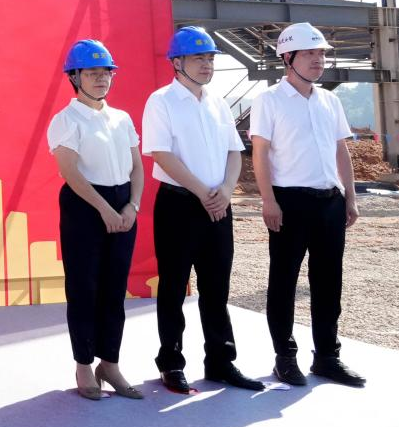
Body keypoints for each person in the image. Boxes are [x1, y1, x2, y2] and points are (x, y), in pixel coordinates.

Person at [142, 27, 264, 393]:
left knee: (217, 287)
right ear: (177, 62)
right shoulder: (161, 101)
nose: (207, 64)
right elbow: (161, 154)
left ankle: (221, 362)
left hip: (218, 206)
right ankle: (171, 362)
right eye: (199, 58)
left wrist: (225, 192)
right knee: (173, 287)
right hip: (179, 204)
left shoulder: (218, 103)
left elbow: (233, 152)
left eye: (210, 58)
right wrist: (202, 193)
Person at [250, 22, 366, 388]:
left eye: (321, 54)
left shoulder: (329, 101)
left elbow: (340, 150)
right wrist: (268, 200)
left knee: (329, 282)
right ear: (288, 58)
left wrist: (350, 197)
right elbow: (260, 154)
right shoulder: (269, 100)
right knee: (284, 281)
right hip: (290, 202)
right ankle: (285, 358)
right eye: (310, 53)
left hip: (330, 201)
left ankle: (327, 357)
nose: (318, 60)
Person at [47, 39, 145, 401]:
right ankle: (84, 364)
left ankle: (110, 363)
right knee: (84, 288)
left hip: (123, 204)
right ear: (75, 77)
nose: (102, 78)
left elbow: (137, 167)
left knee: (114, 289)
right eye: (92, 73)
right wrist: (103, 209)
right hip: (85, 206)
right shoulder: (66, 120)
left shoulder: (121, 118)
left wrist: (132, 206)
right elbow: (70, 172)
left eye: (107, 72)